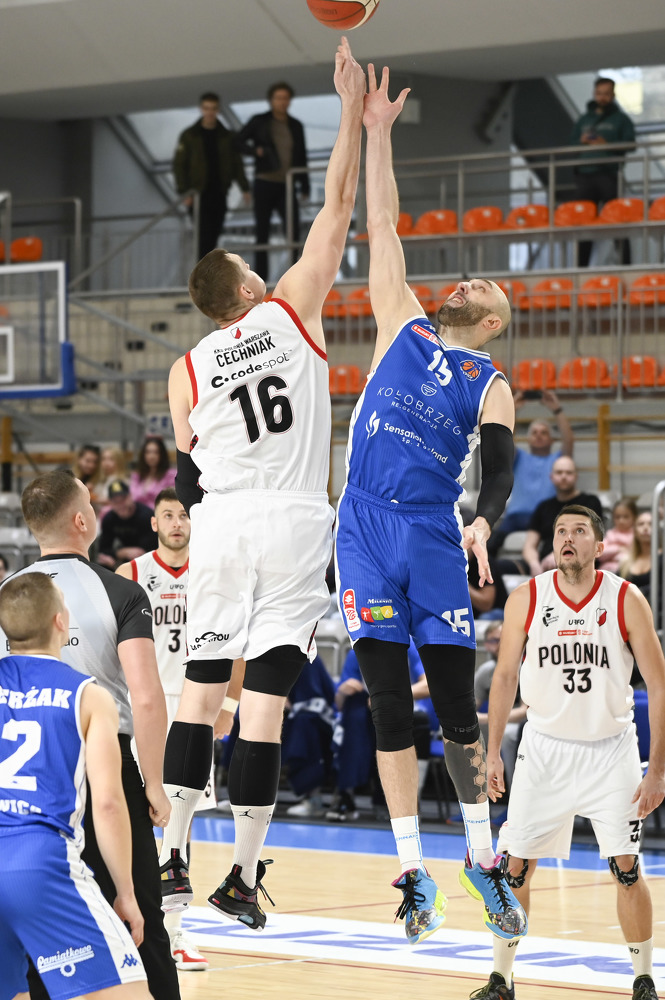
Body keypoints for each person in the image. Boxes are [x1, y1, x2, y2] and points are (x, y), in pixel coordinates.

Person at [157, 38, 366, 930]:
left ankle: (171, 857)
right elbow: (338, 207)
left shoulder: (185, 368)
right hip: (293, 519)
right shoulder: (287, 310)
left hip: (221, 519)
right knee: (267, 703)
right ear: (245, 286)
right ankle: (241, 875)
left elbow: (185, 462)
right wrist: (350, 112)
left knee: (200, 691)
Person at [334, 61, 526, 946]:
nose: (468, 282)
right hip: (364, 526)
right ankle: (413, 872)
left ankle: (481, 861)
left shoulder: (490, 380)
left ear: (490, 324)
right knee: (383, 704)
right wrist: (373, 130)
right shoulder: (401, 321)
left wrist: (484, 519)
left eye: (483, 290)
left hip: (432, 535)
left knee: (454, 714)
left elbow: (499, 466)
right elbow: (380, 223)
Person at [0, 469, 180, 1000]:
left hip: (24, 780)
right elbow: (146, 697)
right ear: (81, 521)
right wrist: (153, 782)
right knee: (139, 917)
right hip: (104, 764)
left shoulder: (11, 593)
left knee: (38, 941)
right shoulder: (119, 590)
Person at [481, 505, 665, 1000]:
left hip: (611, 752)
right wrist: (492, 752)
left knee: (626, 867)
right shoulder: (527, 597)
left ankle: (644, 978)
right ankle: (501, 977)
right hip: (544, 749)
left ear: (599, 546)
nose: (567, 538)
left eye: (579, 531)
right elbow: (504, 677)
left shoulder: (626, 599)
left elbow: (659, 684)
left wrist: (658, 771)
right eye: (561, 530)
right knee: (515, 867)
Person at [0, 573, 150, 1000]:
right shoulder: (87, 695)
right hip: (41, 862)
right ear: (60, 621)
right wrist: (126, 892)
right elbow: (108, 803)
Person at [236, 81, 310, 280]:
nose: (282, 102)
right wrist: (256, 151)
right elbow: (238, 141)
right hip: (265, 181)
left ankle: (295, 276)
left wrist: (305, 185)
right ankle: (260, 278)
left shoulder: (295, 125)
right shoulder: (260, 121)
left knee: (293, 231)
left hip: (287, 183)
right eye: (278, 98)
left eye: (285, 98)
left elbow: (302, 155)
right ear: (271, 100)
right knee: (262, 232)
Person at [488, 389, 574, 553]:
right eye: (534, 433)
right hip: (516, 517)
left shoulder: (558, 460)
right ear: (528, 439)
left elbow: (569, 440)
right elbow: (505, 439)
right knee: (488, 548)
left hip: (547, 518)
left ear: (552, 439)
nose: (539, 435)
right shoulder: (518, 457)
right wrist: (512, 409)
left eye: (544, 432)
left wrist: (557, 409)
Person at [173, 91, 250, 261]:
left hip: (219, 191)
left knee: (214, 234)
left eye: (213, 108)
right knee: (203, 236)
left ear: (218, 110)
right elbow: (179, 165)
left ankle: (207, 270)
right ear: (201, 109)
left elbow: (236, 163)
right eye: (206, 108)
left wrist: (244, 187)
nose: (210, 112)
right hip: (198, 193)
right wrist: (184, 191)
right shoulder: (190, 135)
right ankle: (203, 272)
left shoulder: (227, 136)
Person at [571, 76, 636, 267]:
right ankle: (581, 268)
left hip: (608, 174)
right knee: (583, 223)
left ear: (613, 95)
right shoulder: (584, 119)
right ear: (594, 94)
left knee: (617, 220)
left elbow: (630, 144)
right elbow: (571, 144)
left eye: (606, 94)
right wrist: (582, 141)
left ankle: (626, 265)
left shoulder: (621, 119)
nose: (602, 97)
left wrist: (606, 144)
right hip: (585, 175)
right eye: (599, 93)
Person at [521, 456, 604, 576]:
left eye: (568, 473)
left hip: (577, 561)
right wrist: (534, 564)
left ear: (576, 476)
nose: (564, 476)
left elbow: (592, 539)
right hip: (544, 565)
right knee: (499, 566)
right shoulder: (543, 506)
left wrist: (557, 555)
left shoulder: (590, 502)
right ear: (551, 477)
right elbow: (529, 545)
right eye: (559, 472)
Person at [283, 654, 337, 818]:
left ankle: (313, 798)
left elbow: (325, 695)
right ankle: (245, 795)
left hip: (317, 718)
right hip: (295, 715)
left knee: (304, 727)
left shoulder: (308, 657)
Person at [473, 623, 525, 792]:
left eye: (504, 639)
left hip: (523, 723)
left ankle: (514, 793)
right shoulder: (485, 671)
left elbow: (525, 711)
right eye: (494, 641)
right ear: (487, 645)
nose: (500, 645)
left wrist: (489, 719)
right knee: (465, 730)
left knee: (508, 734)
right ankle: (473, 795)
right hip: (497, 721)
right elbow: (471, 707)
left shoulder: (525, 667)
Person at [97, 479, 157, 571]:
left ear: (130, 497)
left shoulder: (146, 516)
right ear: (110, 503)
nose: (120, 505)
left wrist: (119, 554)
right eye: (115, 501)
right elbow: (103, 550)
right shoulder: (109, 519)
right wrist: (121, 553)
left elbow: (148, 550)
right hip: (124, 557)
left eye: (123, 499)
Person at [619, 510, 663, 629]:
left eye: (650, 524)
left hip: (656, 618)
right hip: (629, 619)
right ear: (635, 531)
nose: (645, 528)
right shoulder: (626, 562)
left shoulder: (662, 558)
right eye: (641, 524)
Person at [128, 436, 176, 511]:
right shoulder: (136, 476)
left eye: (156, 452)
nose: (151, 456)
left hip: (159, 514)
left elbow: (172, 501)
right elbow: (131, 499)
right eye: (148, 452)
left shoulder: (171, 475)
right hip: (137, 515)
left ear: (162, 454)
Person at [598, 497, 637, 573]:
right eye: (617, 517)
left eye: (626, 517)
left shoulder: (636, 535)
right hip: (607, 571)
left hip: (627, 571)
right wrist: (618, 549)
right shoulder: (610, 534)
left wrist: (612, 555)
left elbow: (635, 555)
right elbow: (600, 554)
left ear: (634, 517)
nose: (621, 520)